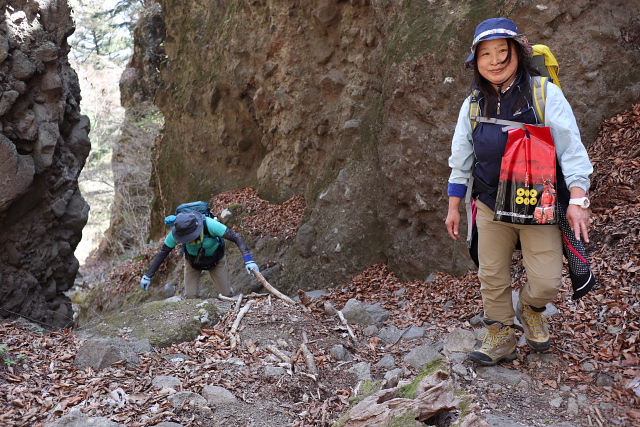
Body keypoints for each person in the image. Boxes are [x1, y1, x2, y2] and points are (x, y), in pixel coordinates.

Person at [445, 18, 593, 366]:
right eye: (486, 54)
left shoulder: (544, 93)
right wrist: (454, 207)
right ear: (476, 61)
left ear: (518, 53)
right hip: (489, 203)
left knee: (546, 280)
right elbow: (461, 159)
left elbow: (571, 149)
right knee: (491, 274)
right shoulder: (473, 106)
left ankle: (531, 307)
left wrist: (578, 198)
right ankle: (500, 334)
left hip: (538, 204)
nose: (495, 61)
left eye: (502, 51)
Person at [140, 211, 259, 298]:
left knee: (227, 295)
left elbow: (236, 238)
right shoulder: (176, 232)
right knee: (190, 296)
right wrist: (148, 276)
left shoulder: (210, 225)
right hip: (192, 262)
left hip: (216, 259)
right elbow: (163, 252)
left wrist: (249, 260)